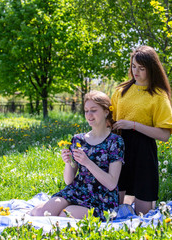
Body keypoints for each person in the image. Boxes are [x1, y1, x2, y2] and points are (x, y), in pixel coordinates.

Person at [30, 90, 124, 220]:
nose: (89, 115)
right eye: (86, 111)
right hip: (76, 191)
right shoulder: (78, 139)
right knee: (42, 213)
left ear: (106, 112)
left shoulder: (115, 141)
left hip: (101, 198)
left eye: (93, 110)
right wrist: (68, 163)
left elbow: (112, 183)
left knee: (64, 215)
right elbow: (68, 180)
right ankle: (41, 207)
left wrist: (87, 163)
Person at [111, 45, 172, 215]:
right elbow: (109, 121)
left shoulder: (158, 95)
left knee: (143, 214)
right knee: (114, 208)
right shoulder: (121, 91)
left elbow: (164, 135)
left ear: (151, 69)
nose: (136, 72)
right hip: (119, 148)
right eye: (133, 66)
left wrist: (133, 125)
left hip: (144, 151)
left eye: (141, 68)